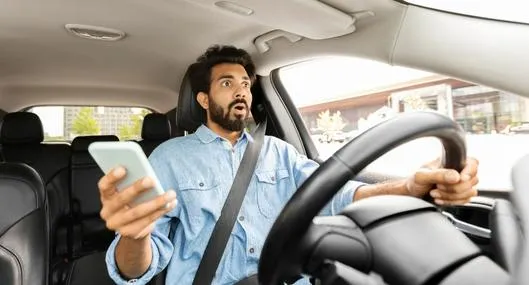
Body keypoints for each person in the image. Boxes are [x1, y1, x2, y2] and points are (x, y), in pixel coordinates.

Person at [100, 45, 479, 285]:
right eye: (227, 84)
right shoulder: (169, 158)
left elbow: (335, 195)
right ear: (202, 99)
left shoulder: (279, 152)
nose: (242, 92)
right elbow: (134, 271)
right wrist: (135, 235)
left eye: (246, 84)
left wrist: (407, 188)